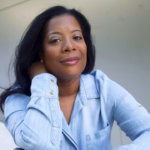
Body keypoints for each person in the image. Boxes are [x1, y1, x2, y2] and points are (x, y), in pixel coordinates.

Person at [0, 6, 150, 150]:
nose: (69, 46)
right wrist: (42, 79)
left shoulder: (102, 87)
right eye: (55, 40)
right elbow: (39, 144)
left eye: (77, 37)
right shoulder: (17, 99)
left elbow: (147, 131)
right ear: (40, 52)